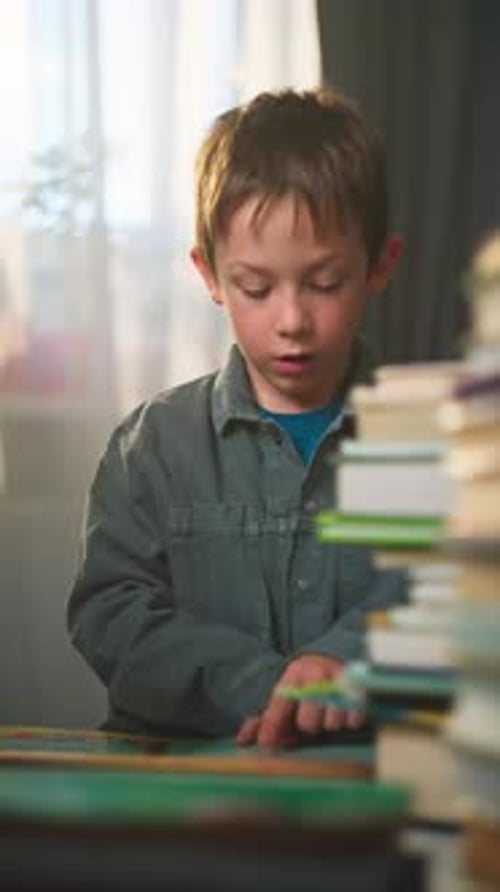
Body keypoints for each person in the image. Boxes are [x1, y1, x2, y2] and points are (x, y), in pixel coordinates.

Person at [68, 87, 406, 749]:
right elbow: (110, 612)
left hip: (364, 781)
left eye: (325, 282)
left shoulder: (429, 441)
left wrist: (347, 658)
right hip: (187, 779)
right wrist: (264, 684)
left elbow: (455, 593)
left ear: (378, 268)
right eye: (256, 287)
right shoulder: (152, 445)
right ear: (211, 274)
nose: (291, 321)